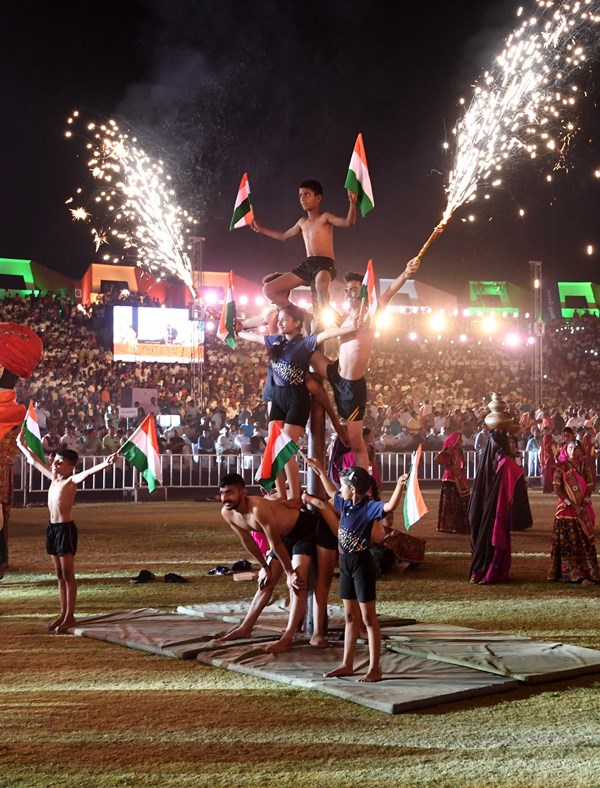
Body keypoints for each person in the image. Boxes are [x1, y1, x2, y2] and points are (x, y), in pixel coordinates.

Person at [236, 302, 361, 500]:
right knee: (272, 446)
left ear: (296, 323)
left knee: (285, 448)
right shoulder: (276, 341)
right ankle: (280, 494)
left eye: (285, 319)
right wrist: (238, 332)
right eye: (280, 319)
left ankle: (294, 496)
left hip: (297, 400)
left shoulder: (305, 343)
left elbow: (326, 335)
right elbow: (256, 338)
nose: (280, 323)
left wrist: (351, 328)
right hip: (277, 399)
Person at [308, 257, 421, 471]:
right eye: (347, 290)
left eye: (353, 289)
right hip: (335, 372)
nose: (349, 293)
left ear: (362, 293)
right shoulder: (345, 318)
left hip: (351, 388)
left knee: (356, 444)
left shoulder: (370, 315)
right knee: (306, 352)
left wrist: (406, 273)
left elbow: (388, 295)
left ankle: (363, 486)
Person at [305, 461, 408, 682]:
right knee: (350, 617)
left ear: (352, 489)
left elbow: (389, 506)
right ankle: (347, 664)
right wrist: (321, 471)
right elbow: (332, 491)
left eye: (343, 486)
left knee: (368, 619)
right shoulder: (345, 505)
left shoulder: (368, 507)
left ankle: (374, 668)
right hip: (345, 565)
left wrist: (400, 485)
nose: (339, 489)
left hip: (362, 565)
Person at [16, 431, 118, 632]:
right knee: (59, 574)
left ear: (71, 467)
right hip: (52, 529)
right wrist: (21, 444)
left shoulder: (70, 481)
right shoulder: (52, 478)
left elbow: (87, 473)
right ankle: (62, 614)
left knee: (68, 573)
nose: (55, 464)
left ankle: (70, 616)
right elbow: (33, 460)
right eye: (55, 461)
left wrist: (105, 464)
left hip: (65, 530)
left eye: (60, 462)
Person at [218, 473, 323, 653]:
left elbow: (275, 542)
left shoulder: (258, 508)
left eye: (230, 493)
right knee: (266, 581)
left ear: (243, 492)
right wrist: (264, 567)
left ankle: (288, 636)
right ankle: (245, 628)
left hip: (302, 530)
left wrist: (290, 572)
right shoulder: (227, 512)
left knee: (297, 582)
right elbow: (247, 541)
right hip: (282, 537)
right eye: (222, 493)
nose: (225, 498)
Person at [252, 180, 357, 312]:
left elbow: (349, 222)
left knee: (320, 285)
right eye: (300, 195)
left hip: (324, 264)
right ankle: (298, 314)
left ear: (318, 198)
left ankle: (325, 317)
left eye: (307, 194)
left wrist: (352, 203)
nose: (302, 198)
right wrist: (261, 229)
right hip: (308, 264)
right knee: (268, 290)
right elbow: (285, 236)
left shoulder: (325, 217)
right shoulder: (302, 222)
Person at [468, 429, 528, 585]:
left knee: (491, 535)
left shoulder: (502, 461)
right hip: (487, 506)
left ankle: (489, 571)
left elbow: (516, 473)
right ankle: (482, 570)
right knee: (482, 533)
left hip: (497, 507)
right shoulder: (492, 459)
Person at [547, 440, 599, 585]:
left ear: (581, 451)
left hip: (583, 508)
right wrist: (572, 504)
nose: (573, 450)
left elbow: (590, 486)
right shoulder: (560, 467)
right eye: (570, 448)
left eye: (576, 448)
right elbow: (557, 489)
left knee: (584, 540)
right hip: (566, 509)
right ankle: (568, 574)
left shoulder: (585, 467)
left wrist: (584, 502)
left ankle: (587, 573)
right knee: (567, 542)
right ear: (565, 450)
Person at [434, 432, 470, 534]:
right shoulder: (448, 451)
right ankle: (451, 525)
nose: (461, 441)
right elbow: (437, 459)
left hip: (459, 477)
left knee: (460, 500)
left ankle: (460, 525)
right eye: (459, 439)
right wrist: (449, 466)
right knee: (450, 501)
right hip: (450, 478)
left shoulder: (459, 451)